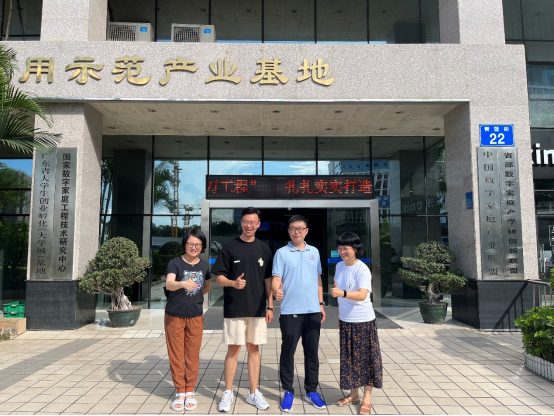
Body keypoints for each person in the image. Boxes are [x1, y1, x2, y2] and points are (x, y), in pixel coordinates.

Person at [212, 207, 274, 412]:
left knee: (254, 349)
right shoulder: (229, 247)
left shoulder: (264, 249)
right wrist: (233, 283)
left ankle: (253, 392)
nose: (249, 225)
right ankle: (228, 392)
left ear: (258, 224)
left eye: (253, 222)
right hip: (235, 307)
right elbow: (219, 277)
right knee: (233, 349)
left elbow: (268, 279)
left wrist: (270, 305)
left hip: (257, 307)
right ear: (241, 223)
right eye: (246, 221)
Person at [272, 215, 327, 413]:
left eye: (300, 228)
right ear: (288, 231)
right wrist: (276, 290)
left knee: (312, 353)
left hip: (312, 311)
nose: (297, 231)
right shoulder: (281, 253)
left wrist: (321, 304)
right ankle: (288, 391)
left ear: (306, 231)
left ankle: (311, 390)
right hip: (290, 311)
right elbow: (276, 278)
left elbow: (318, 279)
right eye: (293, 228)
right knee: (288, 352)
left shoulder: (315, 252)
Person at [330, 232, 383, 416]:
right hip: (346, 320)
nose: (342, 252)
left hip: (363, 321)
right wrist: (341, 312)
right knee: (349, 359)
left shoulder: (362, 269)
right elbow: (338, 288)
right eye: (339, 248)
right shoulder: (339, 266)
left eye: (346, 248)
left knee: (366, 360)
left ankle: (367, 398)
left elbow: (362, 295)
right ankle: (353, 394)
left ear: (355, 249)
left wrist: (342, 293)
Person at [164, 228, 211, 412]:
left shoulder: (204, 265)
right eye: (190, 243)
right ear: (185, 244)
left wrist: (195, 295)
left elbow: (207, 286)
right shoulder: (175, 263)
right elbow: (169, 284)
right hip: (174, 315)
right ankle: (180, 392)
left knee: (192, 355)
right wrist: (183, 284)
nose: (194, 247)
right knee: (176, 355)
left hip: (195, 315)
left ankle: (190, 390)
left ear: (202, 246)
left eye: (198, 244)